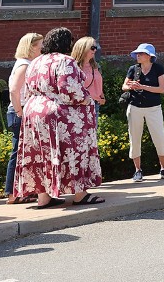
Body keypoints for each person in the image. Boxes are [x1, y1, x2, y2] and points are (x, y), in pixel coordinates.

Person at [15, 28, 102, 208]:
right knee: (74, 150)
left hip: (34, 111)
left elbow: (28, 88)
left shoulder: (36, 61)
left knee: (41, 153)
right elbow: (69, 89)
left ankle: (44, 197)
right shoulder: (66, 61)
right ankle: (80, 194)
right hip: (59, 114)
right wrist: (87, 100)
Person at [123, 43, 164, 181]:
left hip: (153, 108)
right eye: (137, 53)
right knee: (135, 138)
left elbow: (161, 89)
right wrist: (131, 86)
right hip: (135, 107)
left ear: (149, 56)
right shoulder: (133, 69)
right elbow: (124, 86)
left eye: (141, 53)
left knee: (159, 137)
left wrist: (142, 86)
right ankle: (138, 171)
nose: (138, 56)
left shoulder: (158, 69)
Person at [6, 32, 43, 204]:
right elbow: (14, 90)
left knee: (23, 153)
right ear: (31, 47)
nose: (42, 48)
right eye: (40, 45)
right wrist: (20, 111)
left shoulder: (27, 63)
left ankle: (22, 191)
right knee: (18, 152)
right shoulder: (24, 65)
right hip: (19, 112)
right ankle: (12, 194)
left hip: (22, 111)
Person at [70, 37, 105, 121]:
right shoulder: (73, 66)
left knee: (92, 132)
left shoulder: (95, 66)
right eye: (92, 48)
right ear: (83, 48)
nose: (95, 50)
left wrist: (102, 96)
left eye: (96, 48)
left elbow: (98, 82)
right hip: (80, 104)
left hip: (95, 103)